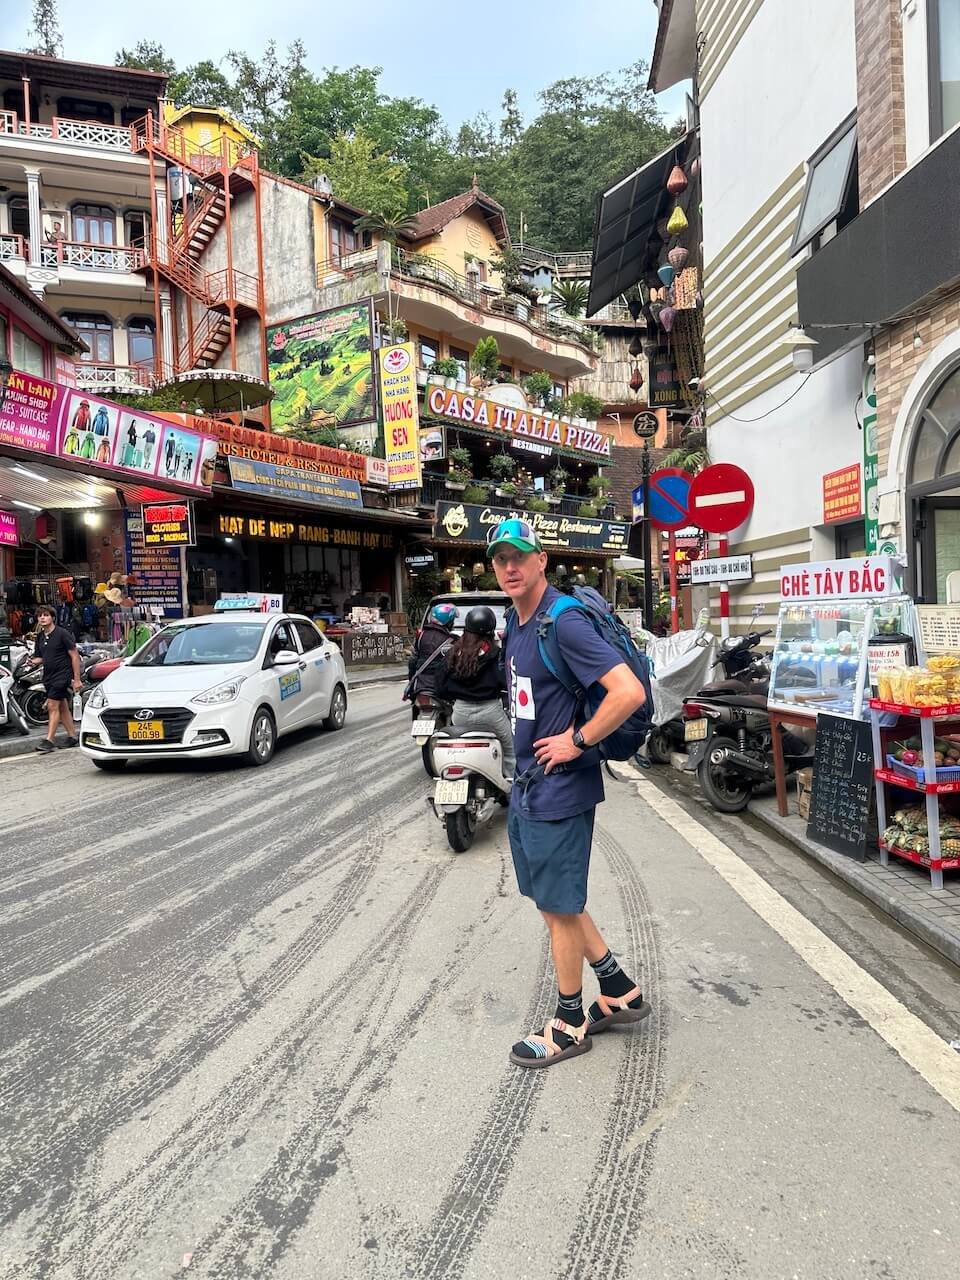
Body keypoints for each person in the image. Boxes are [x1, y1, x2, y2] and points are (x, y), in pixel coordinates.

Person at [487, 518, 649, 1069]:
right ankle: (618, 990)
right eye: (500, 559)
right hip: (531, 785)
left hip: (559, 789)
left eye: (519, 557)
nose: (510, 567)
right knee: (557, 900)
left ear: (541, 562)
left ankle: (570, 1020)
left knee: (558, 907)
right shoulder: (516, 621)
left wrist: (578, 741)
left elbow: (626, 691)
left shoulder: (565, 622)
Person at [436, 605, 515, 778]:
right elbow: (507, 682)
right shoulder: (496, 653)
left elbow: (440, 686)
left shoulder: (453, 652)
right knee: (511, 752)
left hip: (461, 713)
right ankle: (513, 792)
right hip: (491, 713)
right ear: (491, 630)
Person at [29, 603, 83, 753]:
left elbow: (74, 655)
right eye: (40, 616)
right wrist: (31, 662)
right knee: (62, 706)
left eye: (46, 615)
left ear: (53, 617)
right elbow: (40, 657)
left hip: (62, 674)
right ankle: (72, 736)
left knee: (52, 706)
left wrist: (77, 679)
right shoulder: (40, 636)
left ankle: (49, 740)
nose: (42, 618)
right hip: (49, 675)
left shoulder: (62, 633)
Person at [407, 602, 456, 695]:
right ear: (449, 622)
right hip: (442, 686)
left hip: (420, 684)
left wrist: (412, 679)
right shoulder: (451, 640)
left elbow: (413, 660)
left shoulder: (421, 635)